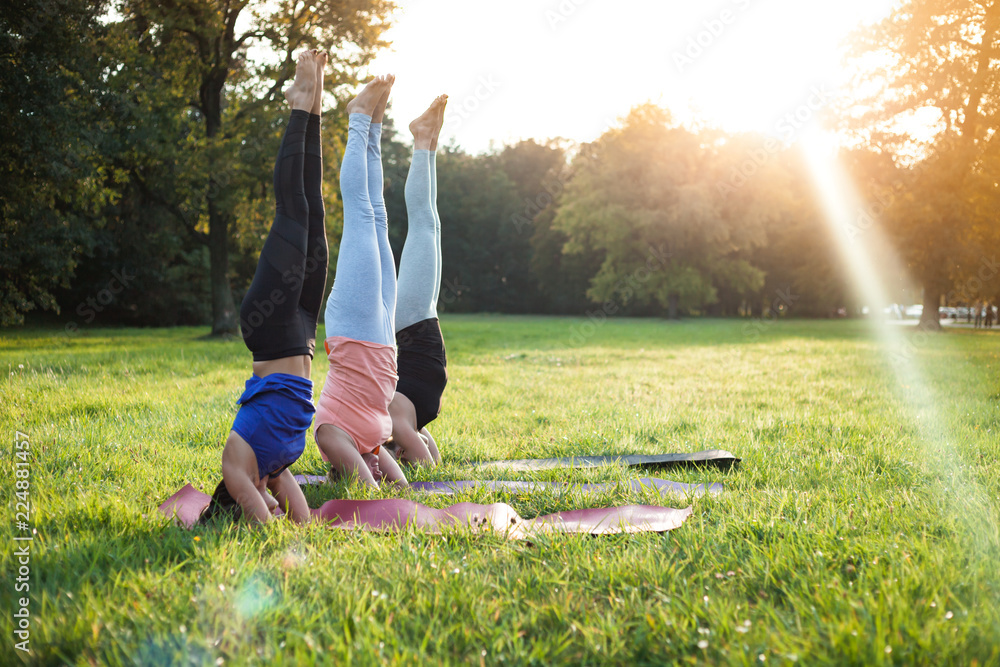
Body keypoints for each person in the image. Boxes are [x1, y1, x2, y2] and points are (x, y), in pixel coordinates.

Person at [204, 51, 328, 524]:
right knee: (314, 219)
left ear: (234, 502)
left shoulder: (238, 469)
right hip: (300, 332)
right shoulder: (275, 467)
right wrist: (290, 512)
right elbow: (303, 520)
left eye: (261, 500)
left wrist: (268, 515)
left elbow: (267, 522)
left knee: (292, 214)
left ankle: (298, 104)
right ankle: (314, 106)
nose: (273, 501)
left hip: (269, 325)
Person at [313, 74, 410, 487]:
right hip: (381, 338)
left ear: (341, 471)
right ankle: (374, 125)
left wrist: (363, 475)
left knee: (362, 214)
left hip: (355, 331)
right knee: (380, 216)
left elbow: (371, 493)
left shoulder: (331, 437)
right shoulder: (371, 443)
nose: (376, 469)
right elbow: (401, 486)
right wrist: (377, 465)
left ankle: (357, 118)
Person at [384, 96, 450, 466]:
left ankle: (422, 140)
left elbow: (429, 466)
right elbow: (431, 455)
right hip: (421, 327)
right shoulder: (413, 425)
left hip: (411, 326)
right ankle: (428, 143)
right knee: (431, 224)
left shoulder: (396, 424)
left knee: (424, 224)